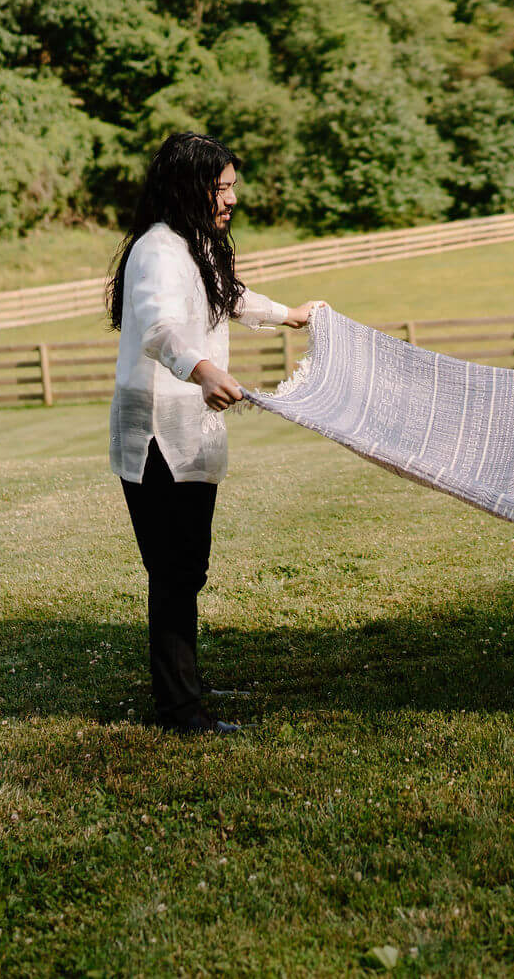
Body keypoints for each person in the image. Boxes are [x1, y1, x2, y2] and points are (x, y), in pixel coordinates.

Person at [107, 133, 319, 735]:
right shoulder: (157, 249)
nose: (230, 199)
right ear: (186, 186)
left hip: (191, 422)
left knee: (189, 565)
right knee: (173, 570)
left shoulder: (199, 244)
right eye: (220, 187)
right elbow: (157, 327)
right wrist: (202, 369)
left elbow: (231, 297)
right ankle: (180, 709)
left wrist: (289, 315)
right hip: (156, 430)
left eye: (232, 188)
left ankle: (187, 681)